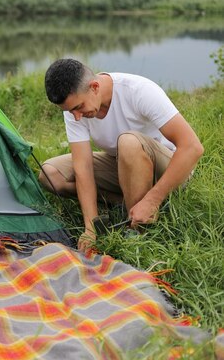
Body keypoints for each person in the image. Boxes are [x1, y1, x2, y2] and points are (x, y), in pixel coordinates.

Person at [39, 59, 203, 252]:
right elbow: (82, 166)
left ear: (94, 87)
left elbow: (192, 147)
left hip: (170, 170)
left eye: (78, 107)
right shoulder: (76, 108)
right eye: (69, 111)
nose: (76, 116)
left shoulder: (139, 91)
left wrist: (153, 200)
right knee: (50, 174)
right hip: (124, 165)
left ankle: (138, 231)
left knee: (128, 142)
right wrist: (91, 227)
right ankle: (130, 206)